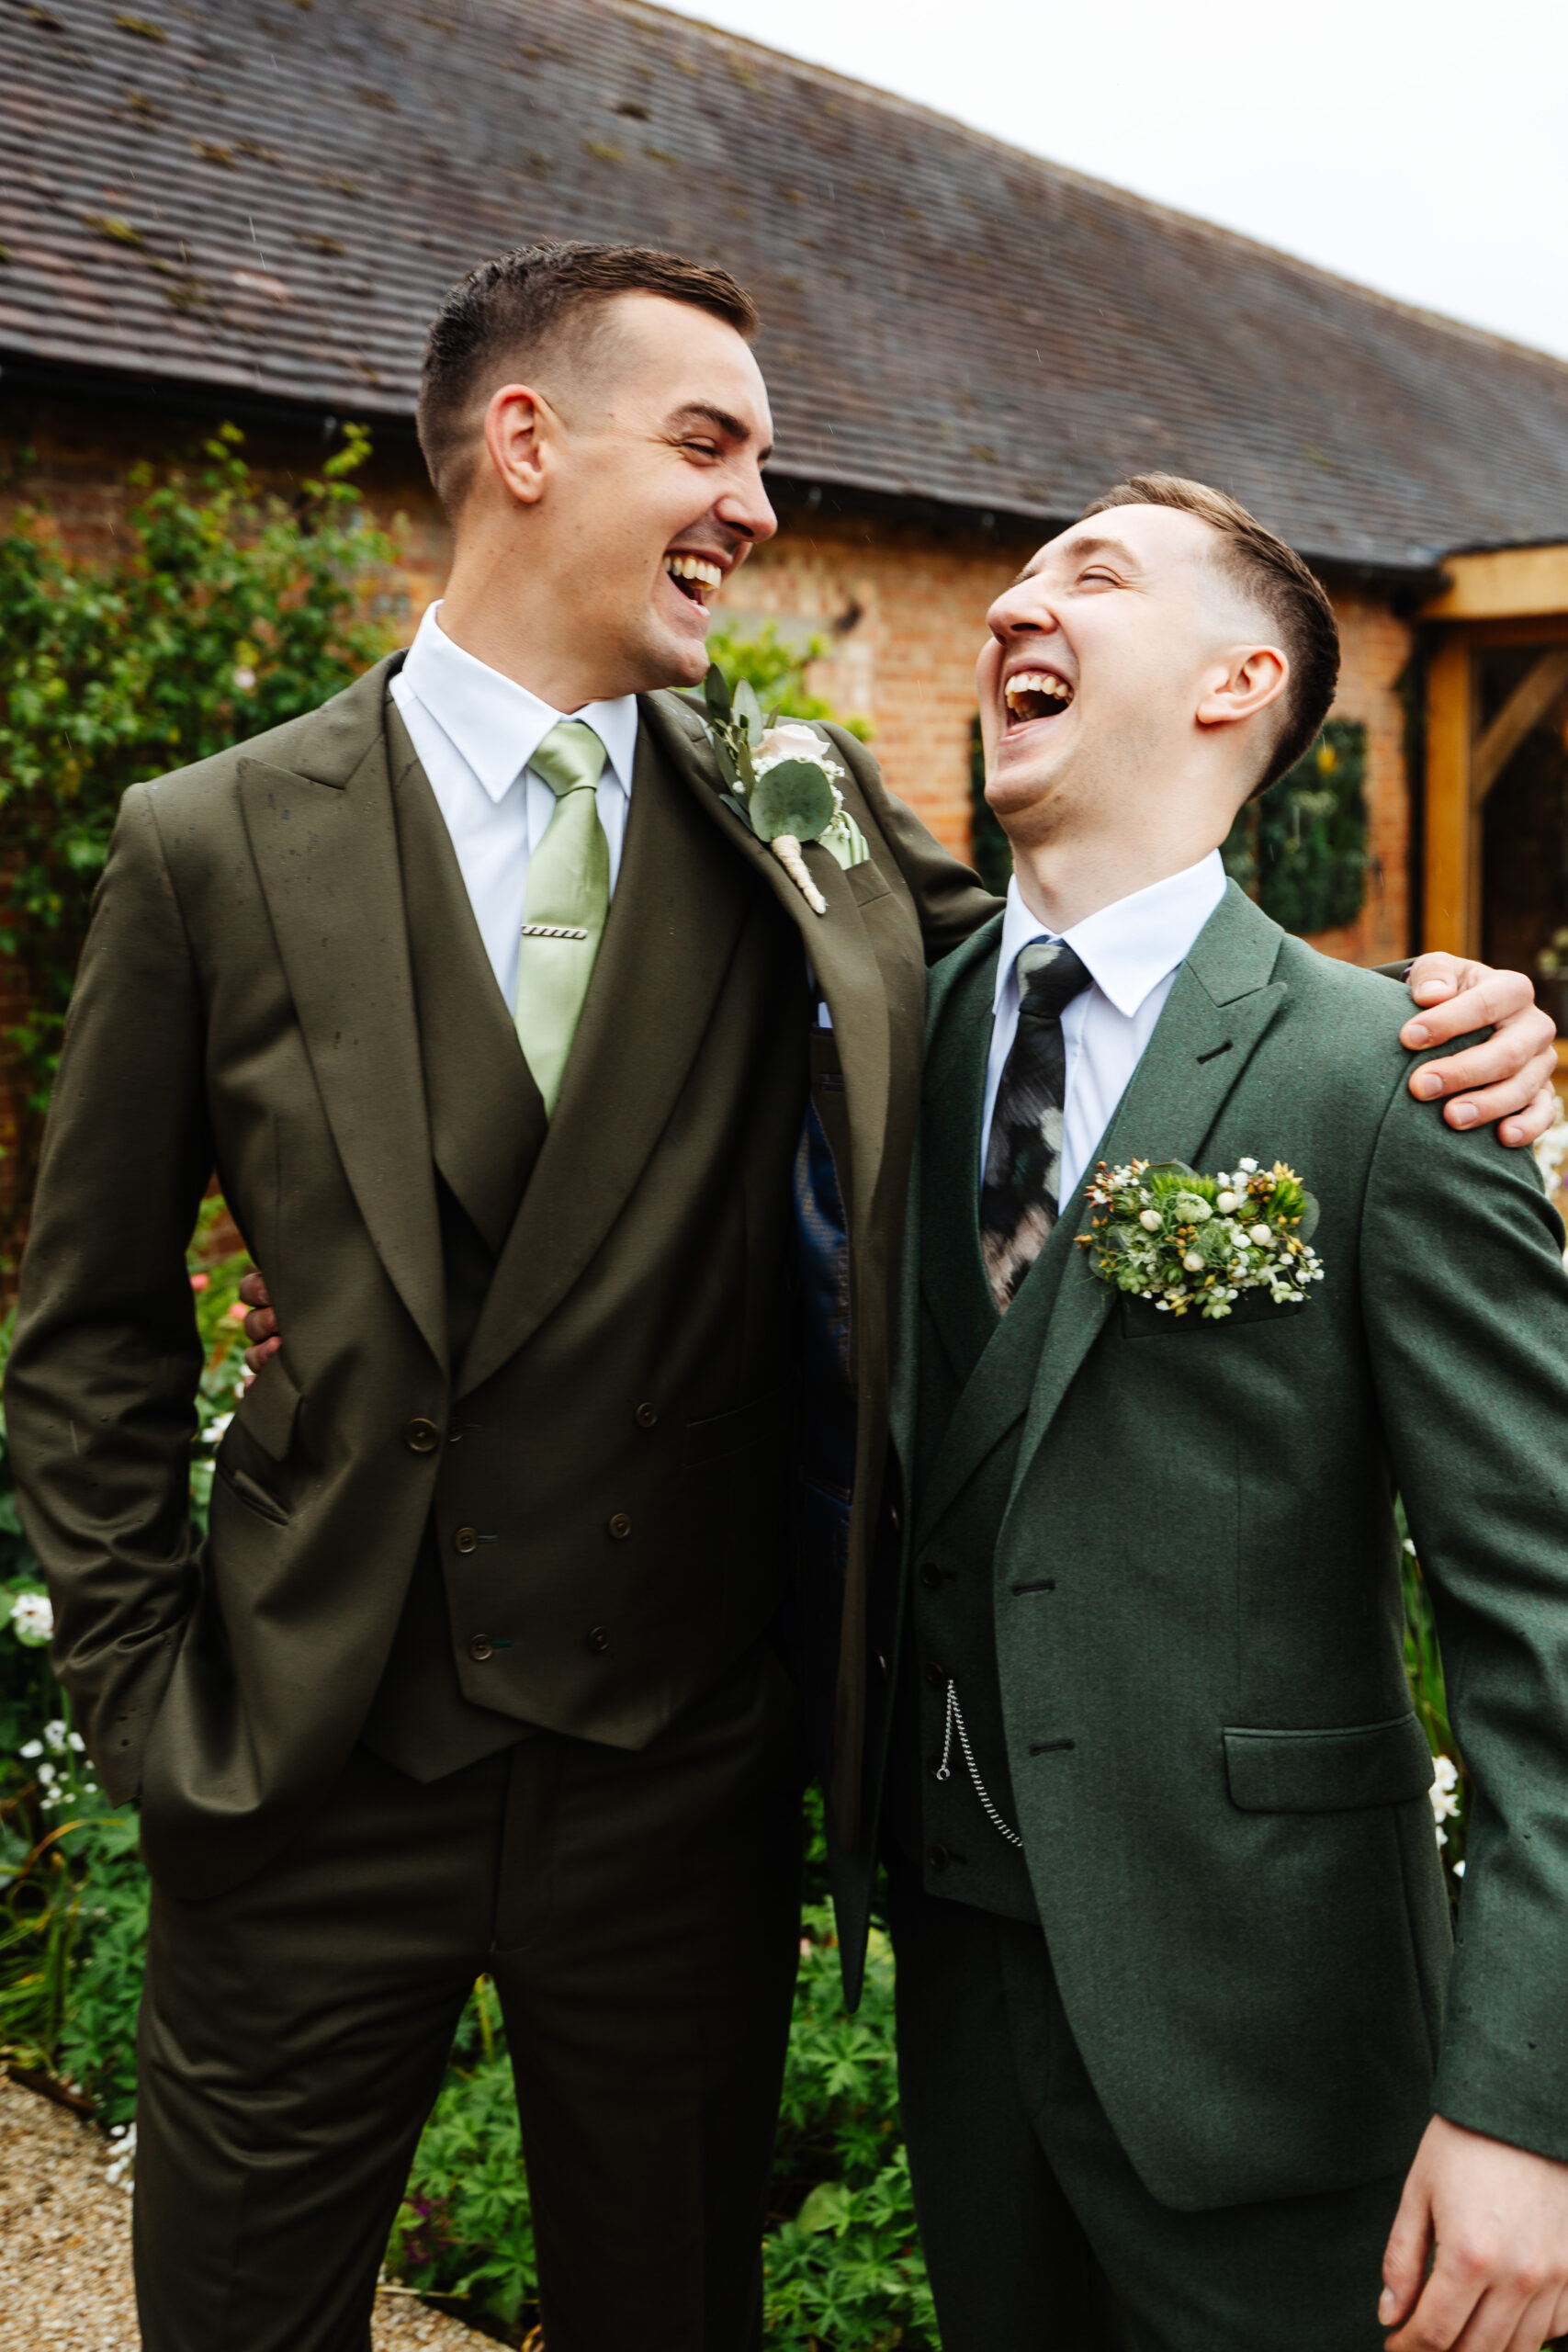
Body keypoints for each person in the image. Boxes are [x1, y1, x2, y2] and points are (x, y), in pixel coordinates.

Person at [3, 234, 1550, 2351]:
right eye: (710, 442)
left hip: (672, 1785)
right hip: (307, 1760)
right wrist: (148, 1700)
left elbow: (1091, 956)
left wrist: (1467, 1021)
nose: (755, 502)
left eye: (766, 458)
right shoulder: (209, 840)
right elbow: (88, 1328)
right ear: (527, 443)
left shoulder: (792, 805)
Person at [856, 474, 1568, 2352]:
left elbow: (1542, 1636)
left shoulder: (1389, 1077)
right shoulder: (882, 1039)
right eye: (1011, 575)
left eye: (1084, 573)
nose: (1016, 603)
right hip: (961, 2004)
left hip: (1272, 2045)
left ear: (1237, 679)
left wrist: (1521, 2104)